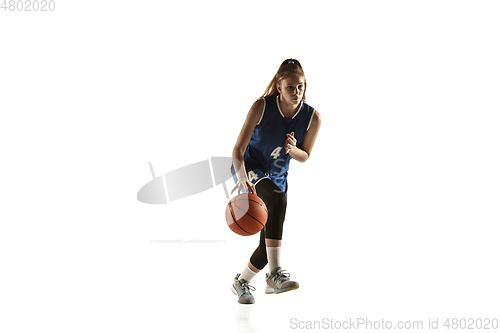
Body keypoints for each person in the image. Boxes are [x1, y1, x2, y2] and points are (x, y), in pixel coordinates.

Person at [230, 59, 322, 304]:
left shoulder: (313, 117)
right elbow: (237, 150)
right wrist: (241, 179)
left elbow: (306, 156)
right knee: (278, 200)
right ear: (279, 87)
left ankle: (241, 282)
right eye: (290, 87)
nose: (297, 92)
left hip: (278, 177)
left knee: (267, 244)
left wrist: (293, 150)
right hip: (251, 169)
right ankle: (274, 276)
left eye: (300, 86)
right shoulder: (261, 107)